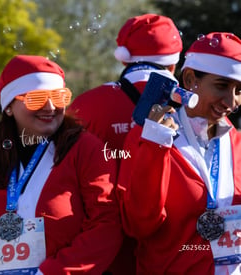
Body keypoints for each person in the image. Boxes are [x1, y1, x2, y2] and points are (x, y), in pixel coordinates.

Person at [0, 55, 122, 274]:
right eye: (37, 98)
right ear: (9, 107)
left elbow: (106, 225)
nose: (50, 106)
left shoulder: (85, 150)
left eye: (59, 97)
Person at [117, 32, 241, 274]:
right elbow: (139, 225)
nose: (231, 101)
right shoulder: (147, 136)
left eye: (239, 90)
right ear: (190, 78)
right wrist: (155, 146)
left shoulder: (235, 141)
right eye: (222, 86)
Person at [68, 13, 183, 275]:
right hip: (178, 252)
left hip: (105, 257)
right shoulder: (196, 106)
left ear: (123, 57)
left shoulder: (85, 106)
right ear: (174, 64)